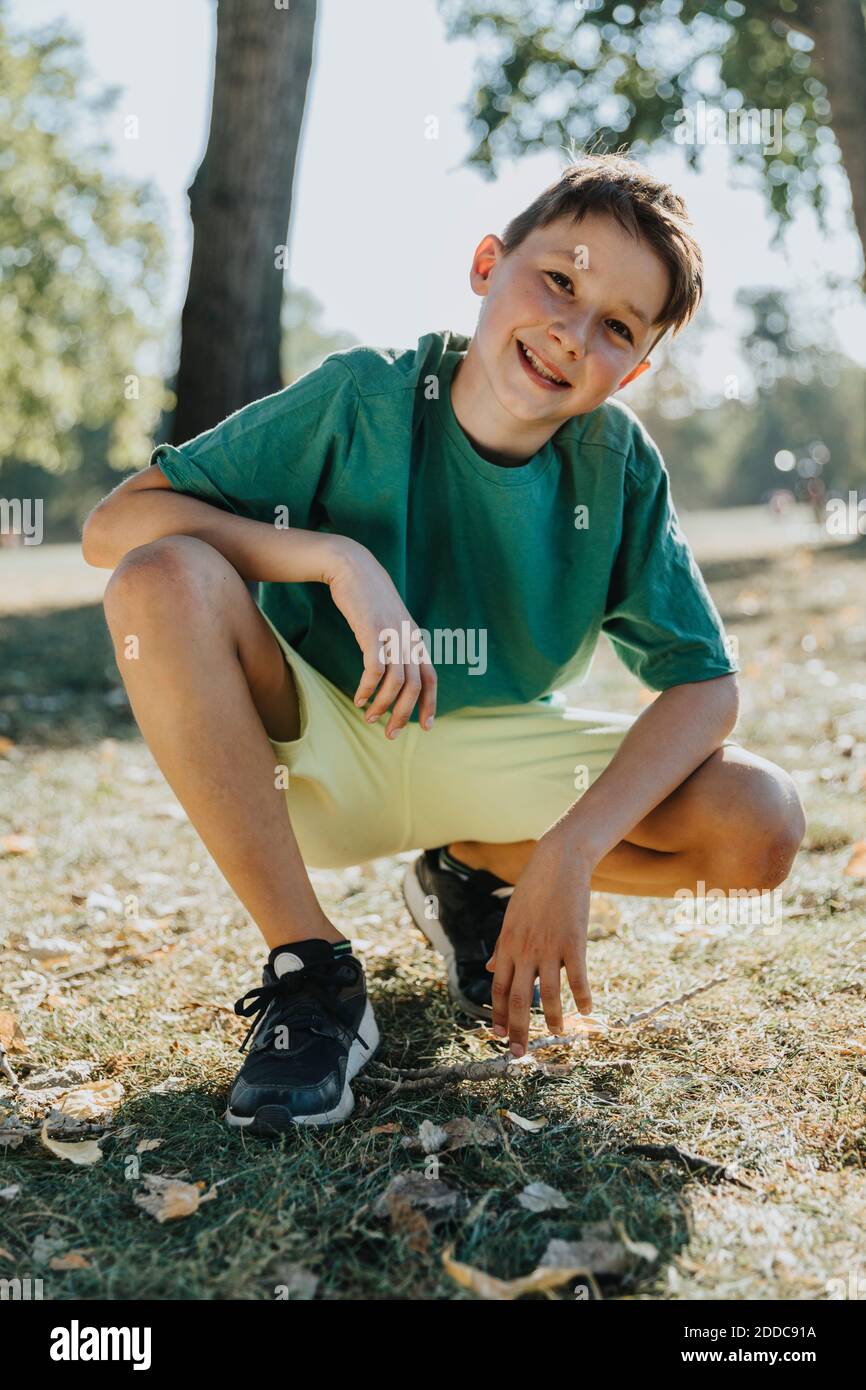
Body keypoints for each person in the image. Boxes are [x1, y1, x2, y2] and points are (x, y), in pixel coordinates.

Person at [81, 153, 806, 1135]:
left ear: (629, 371)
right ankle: (313, 972)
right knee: (162, 575)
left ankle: (476, 873)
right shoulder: (359, 399)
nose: (569, 330)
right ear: (485, 263)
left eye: (614, 328)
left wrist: (570, 851)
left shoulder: (615, 465)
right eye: (559, 280)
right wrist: (335, 559)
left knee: (758, 820)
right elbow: (114, 527)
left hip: (493, 749)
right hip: (309, 749)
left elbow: (703, 689)